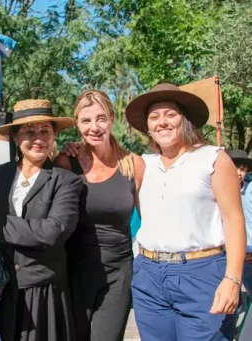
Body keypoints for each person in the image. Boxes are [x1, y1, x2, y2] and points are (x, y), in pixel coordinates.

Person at [125, 83, 246, 341]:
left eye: (170, 114)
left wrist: (232, 279)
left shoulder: (213, 159)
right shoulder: (144, 164)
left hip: (201, 272)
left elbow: (234, 220)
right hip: (149, 275)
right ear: (148, 127)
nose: (162, 122)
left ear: (185, 120)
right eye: (154, 117)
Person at [54, 90, 144, 341]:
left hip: (119, 273)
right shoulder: (65, 162)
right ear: (77, 123)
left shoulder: (133, 164)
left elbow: (151, 220)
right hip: (75, 271)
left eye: (101, 118)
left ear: (112, 119)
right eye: (86, 120)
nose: (94, 127)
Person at [0, 99, 82, 341]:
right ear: (15, 138)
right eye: (28, 132)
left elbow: (53, 231)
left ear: (54, 137)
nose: (38, 138)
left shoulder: (66, 181)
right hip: (1, 290)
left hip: (44, 293)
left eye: (45, 131)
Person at [228, 150, 252, 298]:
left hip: (248, 250)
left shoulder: (249, 190)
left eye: (243, 169)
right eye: (235, 167)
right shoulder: (213, 190)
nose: (239, 173)